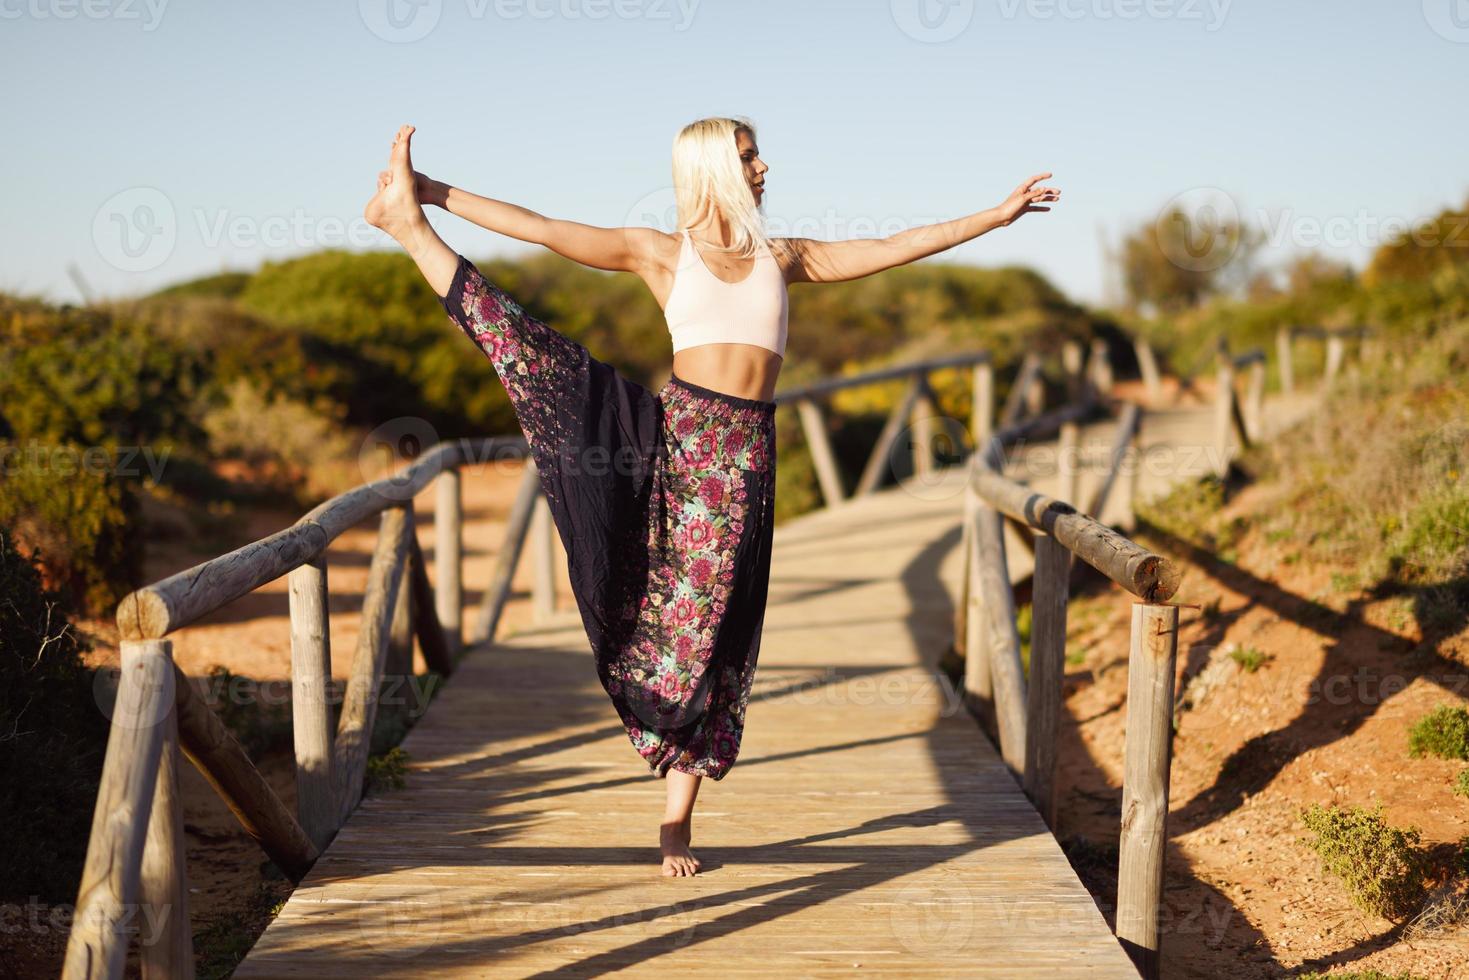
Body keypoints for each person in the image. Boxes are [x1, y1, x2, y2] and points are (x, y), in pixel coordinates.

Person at [363, 116, 1059, 876]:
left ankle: (676, 818)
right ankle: (408, 225)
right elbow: (540, 228)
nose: (763, 166)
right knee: (528, 350)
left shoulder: (783, 256)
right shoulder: (661, 252)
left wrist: (992, 216)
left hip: (745, 465)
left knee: (716, 638)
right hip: (678, 446)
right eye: (748, 155)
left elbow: (893, 247)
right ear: (711, 168)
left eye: (757, 154)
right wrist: (434, 191)